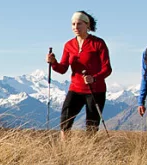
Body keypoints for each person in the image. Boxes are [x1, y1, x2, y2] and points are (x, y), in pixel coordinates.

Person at [46, 10, 112, 139]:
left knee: (92, 125)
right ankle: (65, 150)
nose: (76, 27)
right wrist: (53, 62)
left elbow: (107, 69)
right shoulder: (69, 45)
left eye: (79, 24)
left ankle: (90, 151)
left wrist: (94, 78)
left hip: (95, 90)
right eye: (73, 24)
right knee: (65, 120)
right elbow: (62, 69)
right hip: (75, 89)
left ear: (87, 25)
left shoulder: (98, 43)